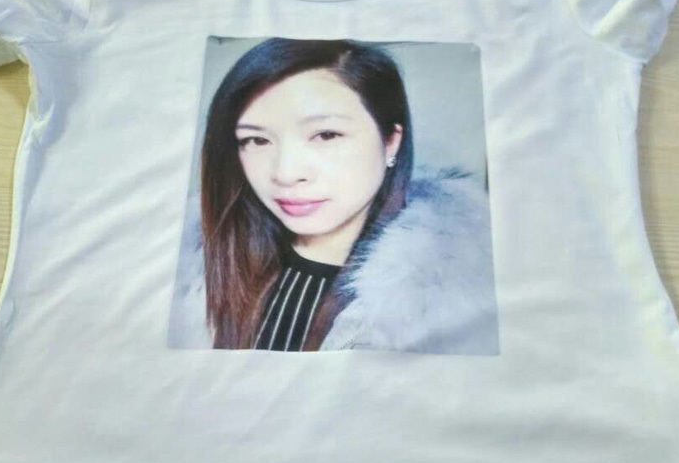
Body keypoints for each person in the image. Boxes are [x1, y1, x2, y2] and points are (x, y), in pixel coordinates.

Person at [188, 37, 499, 355]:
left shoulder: (460, 301)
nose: (285, 173)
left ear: (390, 142)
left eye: (326, 135)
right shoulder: (197, 269)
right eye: (256, 140)